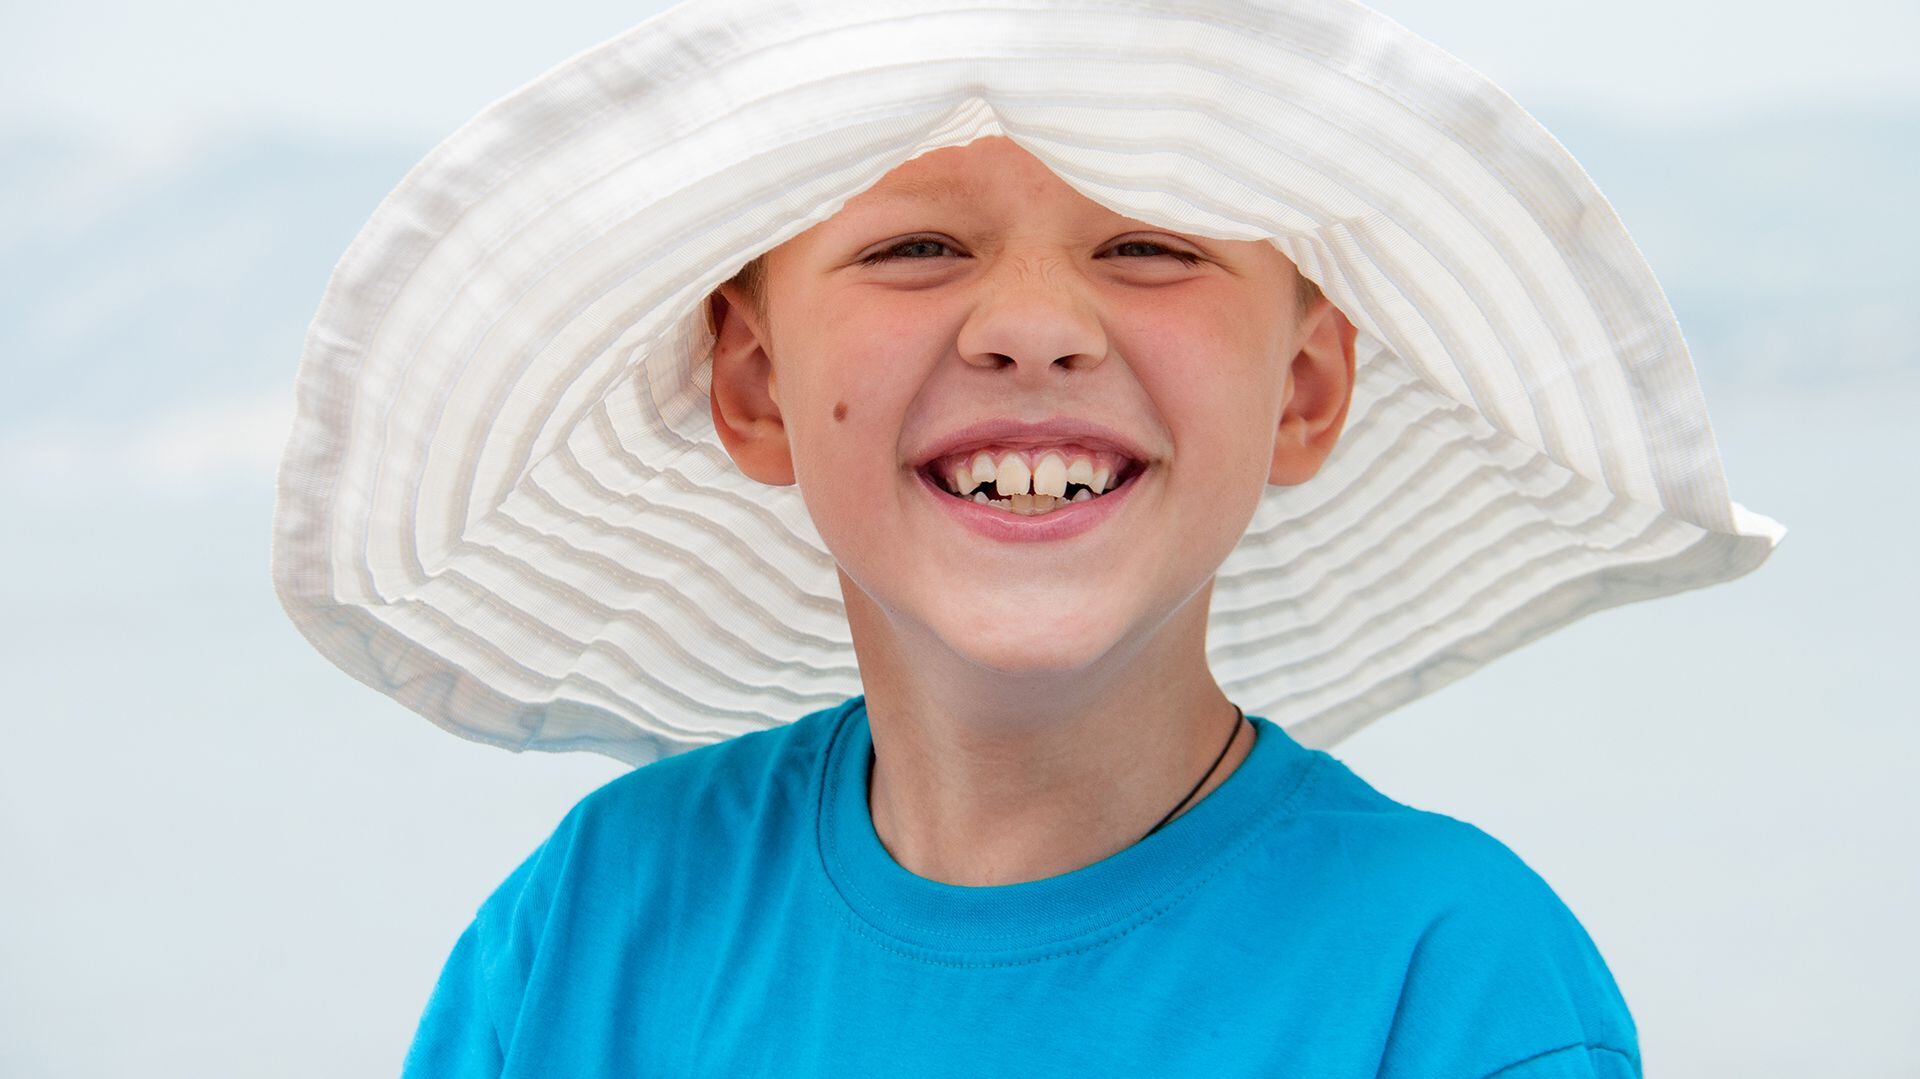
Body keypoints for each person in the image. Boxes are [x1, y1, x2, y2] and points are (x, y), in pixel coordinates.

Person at [268, 0, 1785, 1075]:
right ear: (754, 384)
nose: (1038, 329)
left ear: (1304, 389)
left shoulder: (1446, 976)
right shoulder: (594, 931)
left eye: (1151, 244)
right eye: (917, 246)